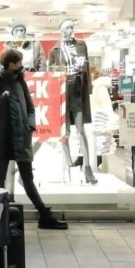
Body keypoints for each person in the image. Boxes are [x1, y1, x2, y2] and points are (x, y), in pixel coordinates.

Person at [0, 47, 68, 230]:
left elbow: (30, 107)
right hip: (2, 137)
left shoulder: (19, 80)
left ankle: (44, 216)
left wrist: (29, 126)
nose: (21, 65)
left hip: (21, 136)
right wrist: (0, 99)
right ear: (10, 64)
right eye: (18, 62)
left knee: (27, 178)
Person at [49, 19, 97, 184]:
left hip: (77, 89)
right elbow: (51, 74)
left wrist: (88, 87)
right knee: (65, 132)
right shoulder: (55, 50)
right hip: (62, 91)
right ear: (61, 30)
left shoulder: (81, 45)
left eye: (71, 27)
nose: (70, 30)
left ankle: (88, 168)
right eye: (67, 28)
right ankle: (68, 166)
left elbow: (87, 67)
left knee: (80, 130)